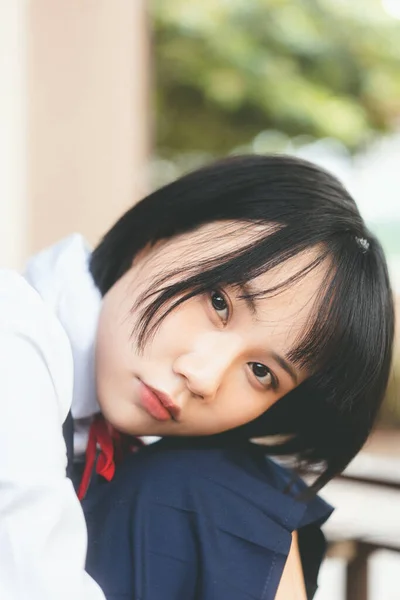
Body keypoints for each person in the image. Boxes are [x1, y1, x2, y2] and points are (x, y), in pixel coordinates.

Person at [0, 155, 394, 600]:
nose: (204, 377)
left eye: (262, 372)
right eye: (219, 302)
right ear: (156, 240)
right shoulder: (11, 333)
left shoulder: (147, 446)